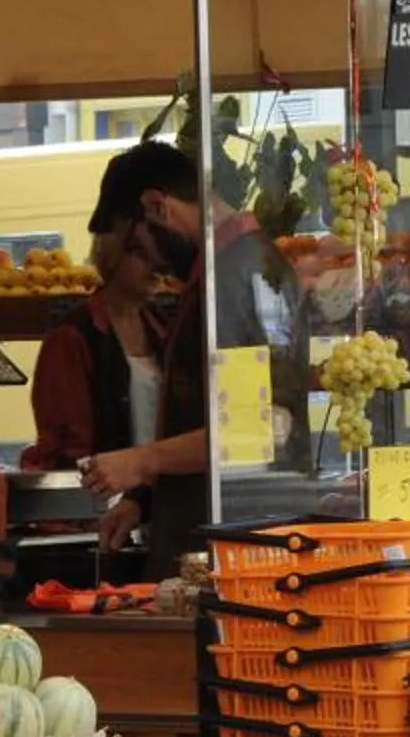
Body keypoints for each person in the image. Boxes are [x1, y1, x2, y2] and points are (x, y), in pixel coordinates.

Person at [74, 141, 301, 578]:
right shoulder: (221, 275)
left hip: (231, 551)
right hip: (205, 541)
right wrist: (145, 501)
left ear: (157, 206)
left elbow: (253, 428)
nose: (152, 263)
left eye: (137, 244)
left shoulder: (238, 276)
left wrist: (141, 462)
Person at [21, 219, 171, 475]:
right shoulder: (72, 337)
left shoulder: (164, 329)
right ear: (111, 258)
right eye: (139, 253)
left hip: (162, 495)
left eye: (159, 253)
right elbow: (65, 443)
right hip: (103, 499)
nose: (156, 265)